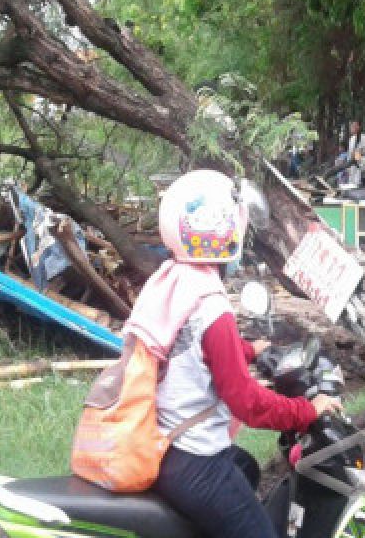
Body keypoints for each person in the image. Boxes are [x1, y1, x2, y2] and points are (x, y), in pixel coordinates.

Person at [142, 170, 341, 538]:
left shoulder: (173, 280)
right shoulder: (211, 306)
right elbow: (246, 403)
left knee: (248, 469)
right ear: (225, 233)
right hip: (195, 460)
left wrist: (248, 350)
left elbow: (188, 348)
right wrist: (306, 411)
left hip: (167, 444)